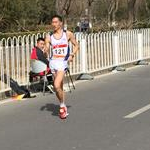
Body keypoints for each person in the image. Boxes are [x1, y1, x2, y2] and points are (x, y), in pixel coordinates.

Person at [45, 15, 79, 119]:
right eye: (52, 22)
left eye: (55, 22)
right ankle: (62, 105)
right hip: (53, 62)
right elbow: (47, 47)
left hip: (62, 62)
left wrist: (72, 54)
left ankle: (62, 106)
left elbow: (76, 45)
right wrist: (45, 50)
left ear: (60, 23)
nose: (53, 24)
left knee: (55, 85)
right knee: (58, 87)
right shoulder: (49, 36)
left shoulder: (67, 34)